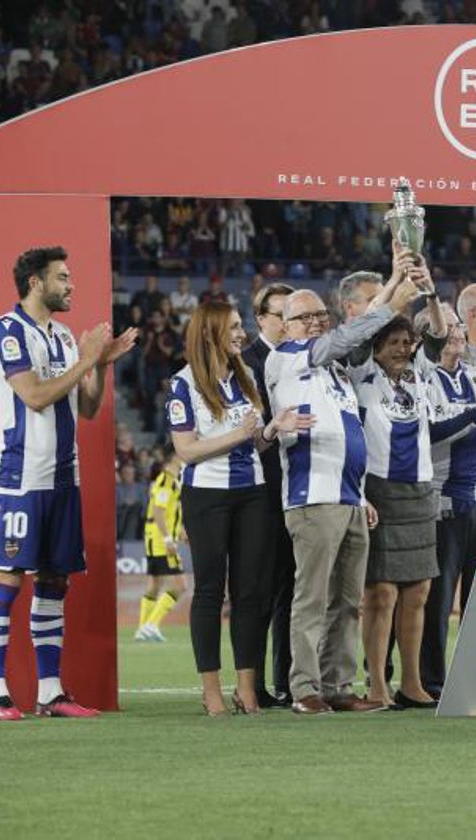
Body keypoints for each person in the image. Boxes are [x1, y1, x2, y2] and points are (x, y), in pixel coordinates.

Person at [0, 246, 138, 720]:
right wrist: (86, 360)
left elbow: (87, 409)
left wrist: (101, 362)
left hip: (62, 479)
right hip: (17, 478)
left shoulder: (67, 338)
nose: (71, 286)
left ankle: (50, 693)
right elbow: (34, 395)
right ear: (35, 283)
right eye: (62, 278)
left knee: (53, 582)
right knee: (7, 580)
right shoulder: (7, 332)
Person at [266, 265, 419, 715]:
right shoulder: (289, 356)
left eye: (319, 316)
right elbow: (349, 334)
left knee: (348, 602)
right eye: (304, 317)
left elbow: (346, 435)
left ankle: (336, 684)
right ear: (285, 327)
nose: (314, 323)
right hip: (313, 499)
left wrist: (391, 285)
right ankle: (304, 688)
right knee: (312, 597)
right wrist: (389, 301)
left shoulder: (334, 371)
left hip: (349, 498)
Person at [168, 300, 312, 716]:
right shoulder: (184, 384)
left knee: (252, 593)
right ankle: (211, 690)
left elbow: (255, 440)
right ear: (210, 331)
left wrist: (271, 429)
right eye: (231, 327)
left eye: (239, 326)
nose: (240, 333)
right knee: (210, 592)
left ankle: (246, 688)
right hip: (206, 495)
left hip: (253, 490)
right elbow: (187, 450)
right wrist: (240, 434)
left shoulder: (245, 375)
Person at [350, 301, 444, 710]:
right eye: (393, 343)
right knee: (381, 593)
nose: (402, 349)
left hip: (420, 492)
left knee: (418, 592)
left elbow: (438, 335)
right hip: (380, 490)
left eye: (407, 342)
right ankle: (376, 684)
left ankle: (412, 682)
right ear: (375, 347)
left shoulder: (421, 375)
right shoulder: (361, 376)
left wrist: (432, 297)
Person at [413, 301, 476, 698]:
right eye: (446, 326)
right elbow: (428, 432)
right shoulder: (421, 377)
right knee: (439, 596)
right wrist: (474, 414)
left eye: (456, 326)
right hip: (441, 496)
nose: (455, 332)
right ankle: (431, 680)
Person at [240, 281, 296, 707]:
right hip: (260, 489)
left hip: (297, 487)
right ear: (261, 319)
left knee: (293, 590)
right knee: (259, 590)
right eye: (281, 314)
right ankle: (252, 684)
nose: (288, 321)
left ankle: (289, 681)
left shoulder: (303, 360)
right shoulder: (246, 362)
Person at [135, 445, 187, 641]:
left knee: (155, 584)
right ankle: (152, 624)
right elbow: (158, 511)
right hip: (160, 540)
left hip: (154, 538)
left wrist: (181, 533)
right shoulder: (167, 480)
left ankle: (142, 628)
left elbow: (169, 513)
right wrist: (168, 539)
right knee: (181, 585)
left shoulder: (171, 480)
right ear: (173, 458)